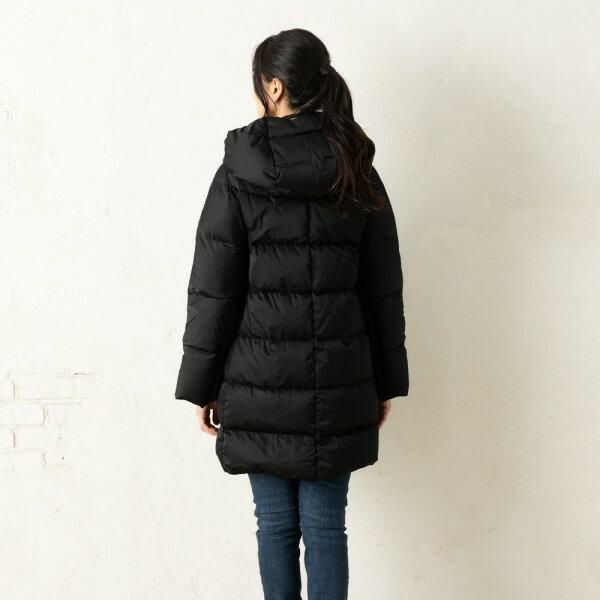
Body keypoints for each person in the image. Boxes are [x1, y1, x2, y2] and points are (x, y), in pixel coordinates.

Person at [175, 28, 409, 600]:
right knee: (327, 526)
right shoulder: (356, 166)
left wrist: (202, 384)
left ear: (274, 87)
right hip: (341, 379)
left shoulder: (239, 170)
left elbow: (214, 289)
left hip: (256, 381)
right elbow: (383, 287)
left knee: (274, 524)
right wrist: (384, 380)